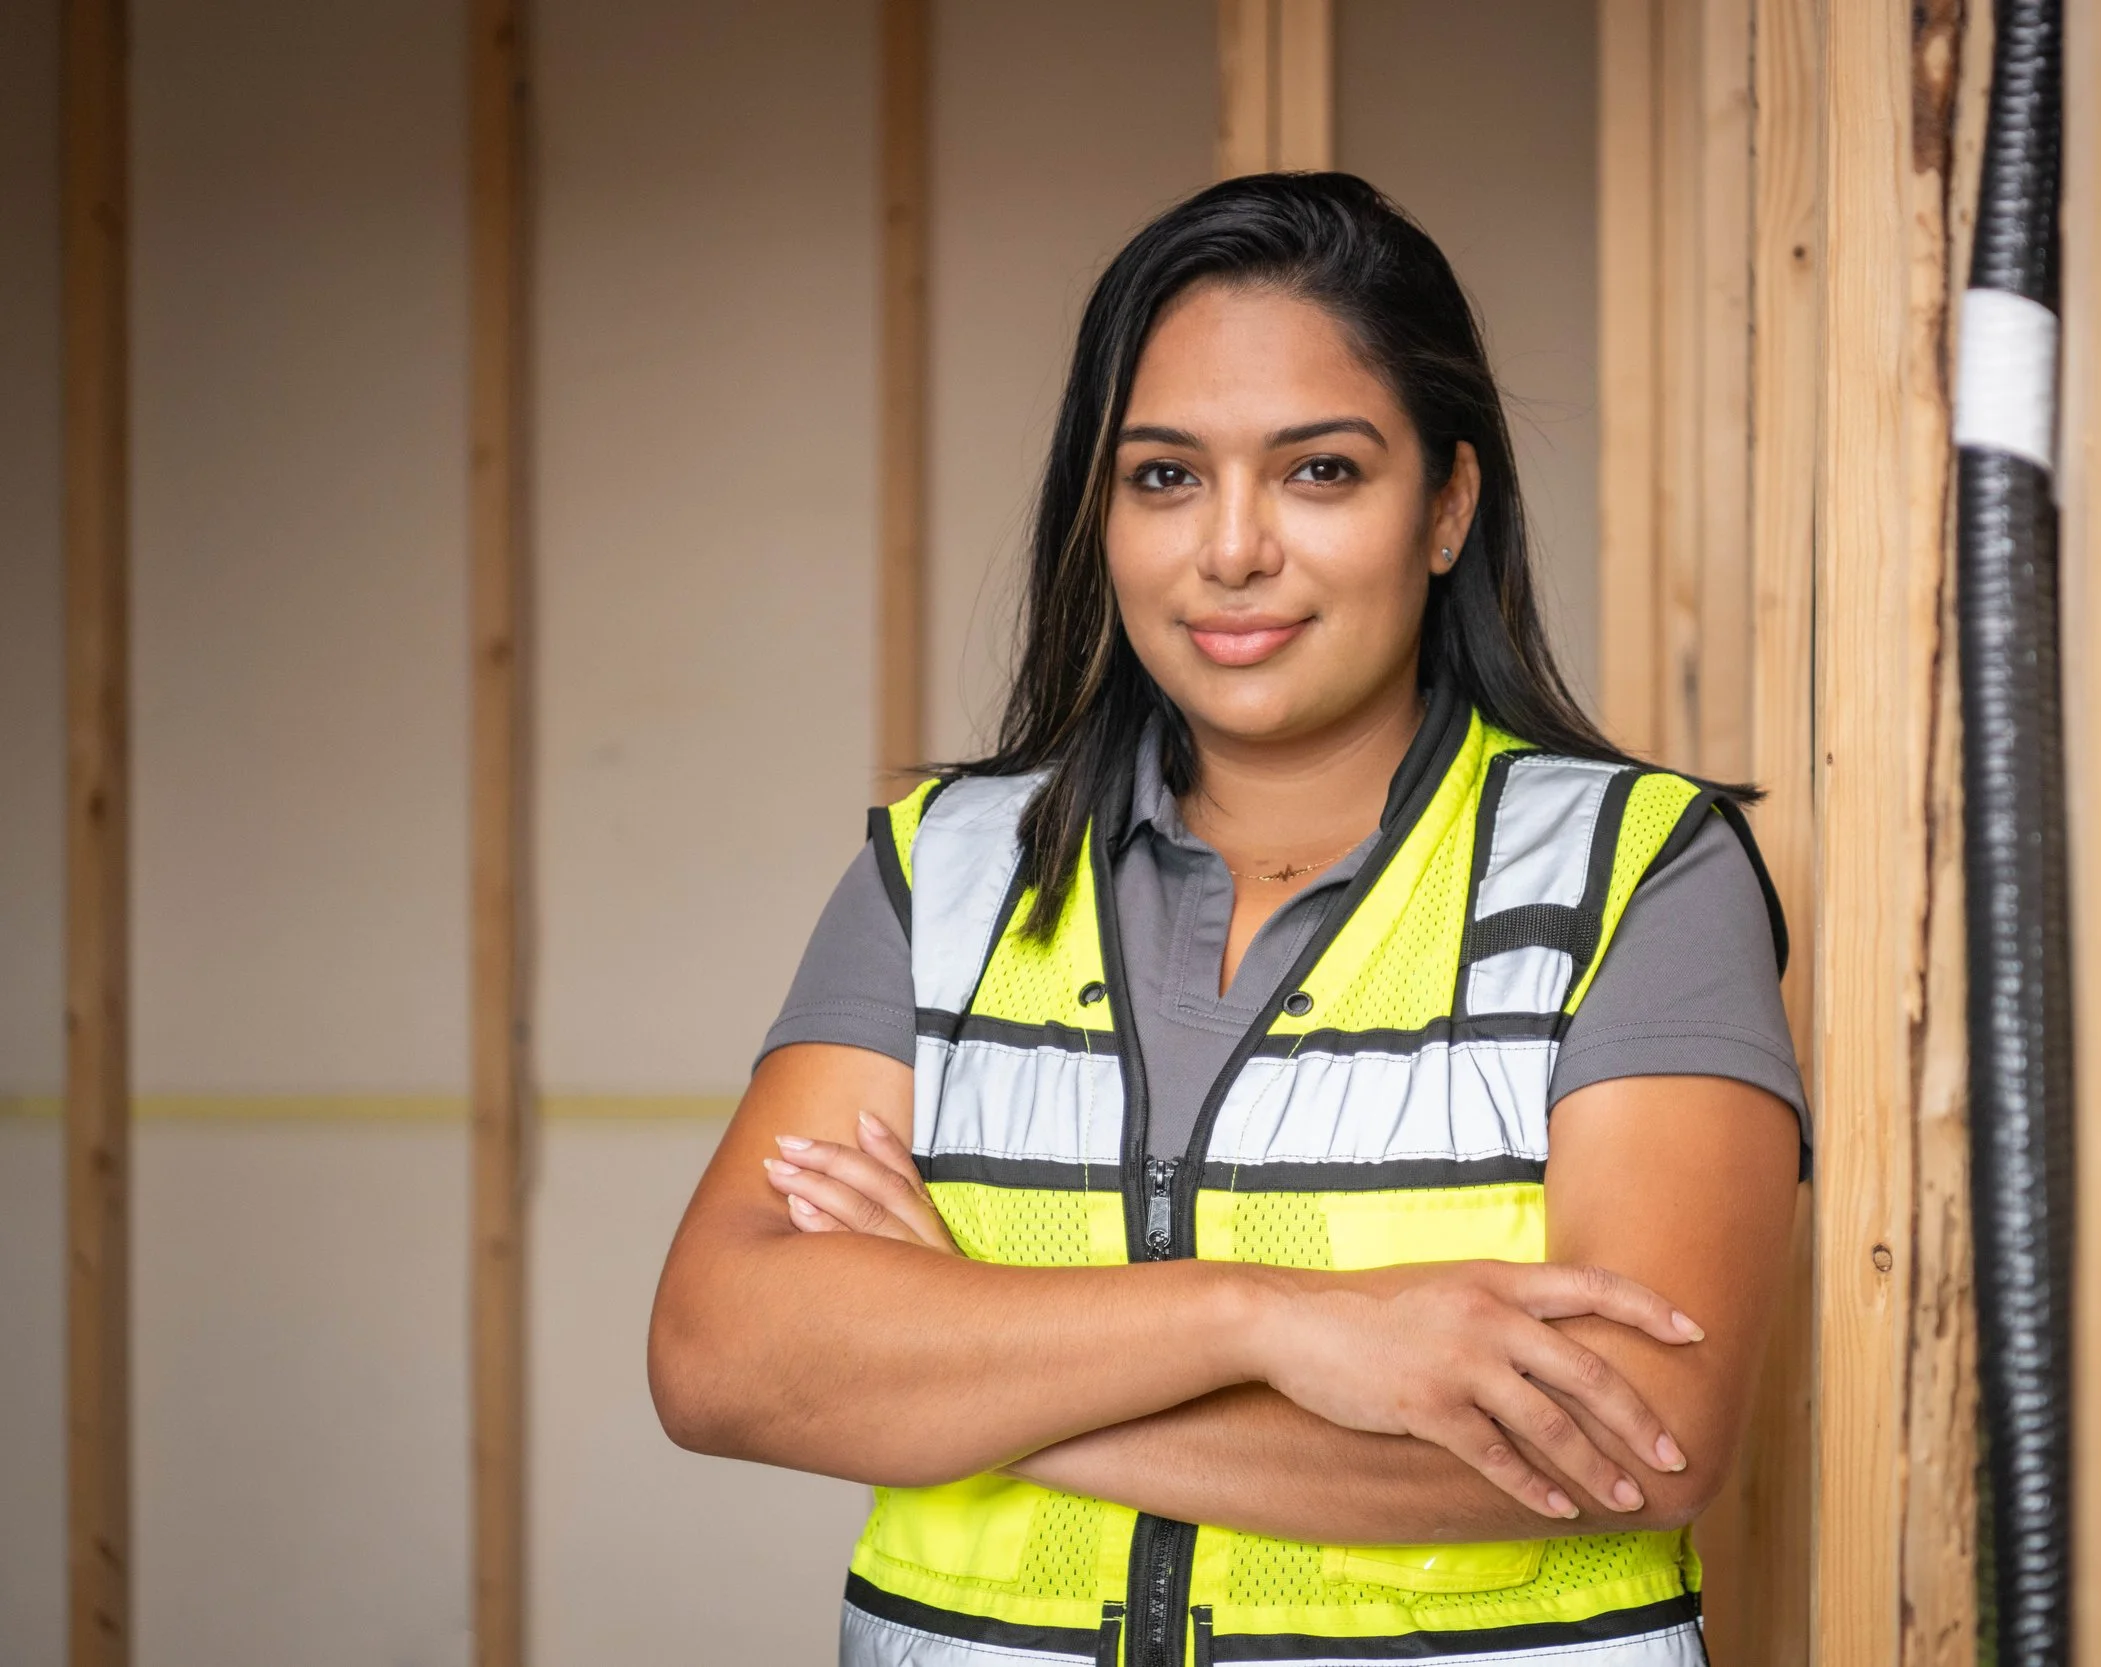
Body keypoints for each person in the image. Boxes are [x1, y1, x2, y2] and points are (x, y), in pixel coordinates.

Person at [650, 172, 1806, 1667]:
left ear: (1447, 505)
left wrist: (957, 1364)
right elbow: (718, 1356)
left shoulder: (1634, 873)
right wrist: (1268, 1323)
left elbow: (1636, 1434)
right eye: (1164, 476)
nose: (1233, 548)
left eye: (1320, 471)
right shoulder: (944, 872)